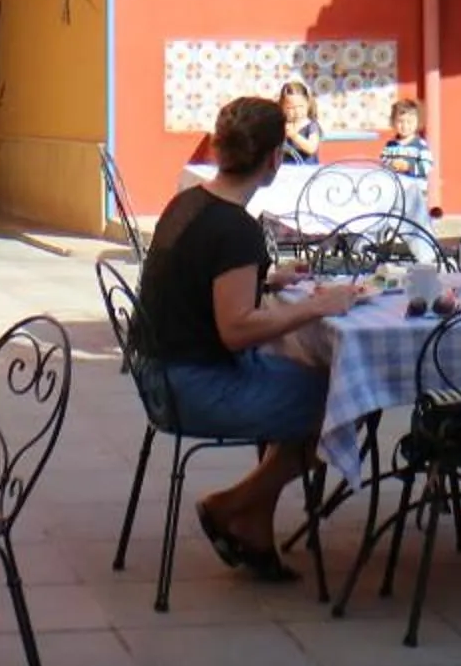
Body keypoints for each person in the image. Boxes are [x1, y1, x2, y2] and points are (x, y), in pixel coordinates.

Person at [137, 94, 363, 576]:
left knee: (306, 377)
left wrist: (265, 280)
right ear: (274, 159)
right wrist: (318, 306)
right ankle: (227, 505)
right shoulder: (235, 229)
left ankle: (254, 527)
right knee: (342, 403)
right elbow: (237, 329)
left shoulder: (189, 201)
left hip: (158, 373)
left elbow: (198, 279)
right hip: (191, 385)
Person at [379, 98, 433, 188]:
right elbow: (383, 161)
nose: (405, 126)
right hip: (396, 188)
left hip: (415, 188)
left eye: (410, 122)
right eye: (400, 121)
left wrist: (409, 166)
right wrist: (391, 164)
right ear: (393, 122)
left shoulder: (420, 145)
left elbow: (427, 166)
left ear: (418, 122)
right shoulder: (391, 145)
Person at [277, 81, 324, 166]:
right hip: (286, 169)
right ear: (282, 107)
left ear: (308, 104)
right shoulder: (282, 125)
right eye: (290, 108)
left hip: (307, 169)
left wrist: (294, 136)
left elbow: (311, 148)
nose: (297, 111)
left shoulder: (311, 126)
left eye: (300, 106)